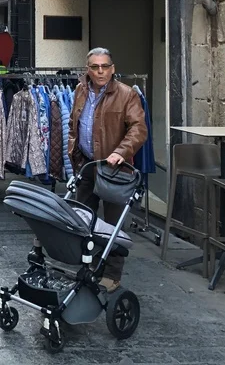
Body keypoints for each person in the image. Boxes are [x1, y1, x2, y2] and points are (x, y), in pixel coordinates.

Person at [68, 47, 147, 293]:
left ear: (112, 69)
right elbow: (73, 124)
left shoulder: (126, 94)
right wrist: (73, 149)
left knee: (113, 224)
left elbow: (138, 129)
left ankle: (112, 274)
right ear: (87, 69)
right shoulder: (80, 90)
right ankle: (90, 264)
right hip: (87, 166)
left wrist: (121, 152)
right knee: (83, 218)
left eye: (105, 66)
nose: (100, 71)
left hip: (115, 169)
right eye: (95, 67)